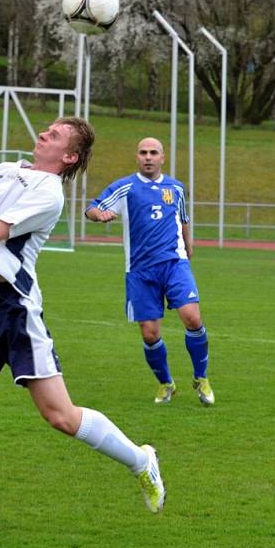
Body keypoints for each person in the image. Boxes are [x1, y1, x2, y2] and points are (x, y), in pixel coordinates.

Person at [0, 117, 165, 545]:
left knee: (60, 416)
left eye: (56, 135)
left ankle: (140, 460)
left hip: (14, 308)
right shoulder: (8, 171)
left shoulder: (48, 193)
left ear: (69, 157)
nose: (45, 133)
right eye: (47, 129)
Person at [85, 137, 214, 406]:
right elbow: (92, 207)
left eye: (153, 152)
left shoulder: (176, 188)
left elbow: (183, 219)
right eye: (143, 152)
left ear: (162, 157)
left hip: (174, 264)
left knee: (192, 317)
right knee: (149, 333)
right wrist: (100, 215)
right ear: (137, 156)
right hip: (140, 271)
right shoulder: (125, 187)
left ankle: (201, 378)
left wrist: (189, 247)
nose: (148, 157)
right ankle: (166, 384)